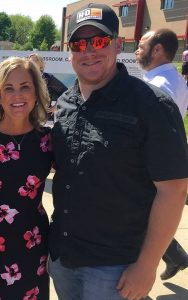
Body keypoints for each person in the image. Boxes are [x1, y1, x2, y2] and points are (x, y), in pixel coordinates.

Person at [48, 3, 188, 300]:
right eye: (79, 43)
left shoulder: (151, 104)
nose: (89, 51)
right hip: (63, 259)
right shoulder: (65, 103)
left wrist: (147, 265)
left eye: (98, 41)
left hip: (115, 268)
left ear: (117, 44)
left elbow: (174, 190)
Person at [0, 57, 53, 299]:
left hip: (32, 247)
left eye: (25, 86)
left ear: (36, 93)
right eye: (9, 88)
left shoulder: (48, 141)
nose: (17, 95)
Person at [135, 28, 188, 281]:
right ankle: (176, 257)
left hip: (147, 169)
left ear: (157, 50)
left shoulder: (158, 87)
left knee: (139, 223)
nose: (137, 50)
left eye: (142, 45)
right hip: (155, 166)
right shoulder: (172, 79)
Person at [135, 29, 188, 119]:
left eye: (141, 47)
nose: (136, 52)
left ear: (156, 50)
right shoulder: (177, 79)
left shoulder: (157, 87)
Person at [29, 53, 67, 122]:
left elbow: (65, 92)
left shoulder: (48, 78)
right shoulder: (26, 77)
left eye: (34, 61)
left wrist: (56, 106)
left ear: (40, 63)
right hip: (28, 117)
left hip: (45, 119)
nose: (31, 63)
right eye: (30, 61)